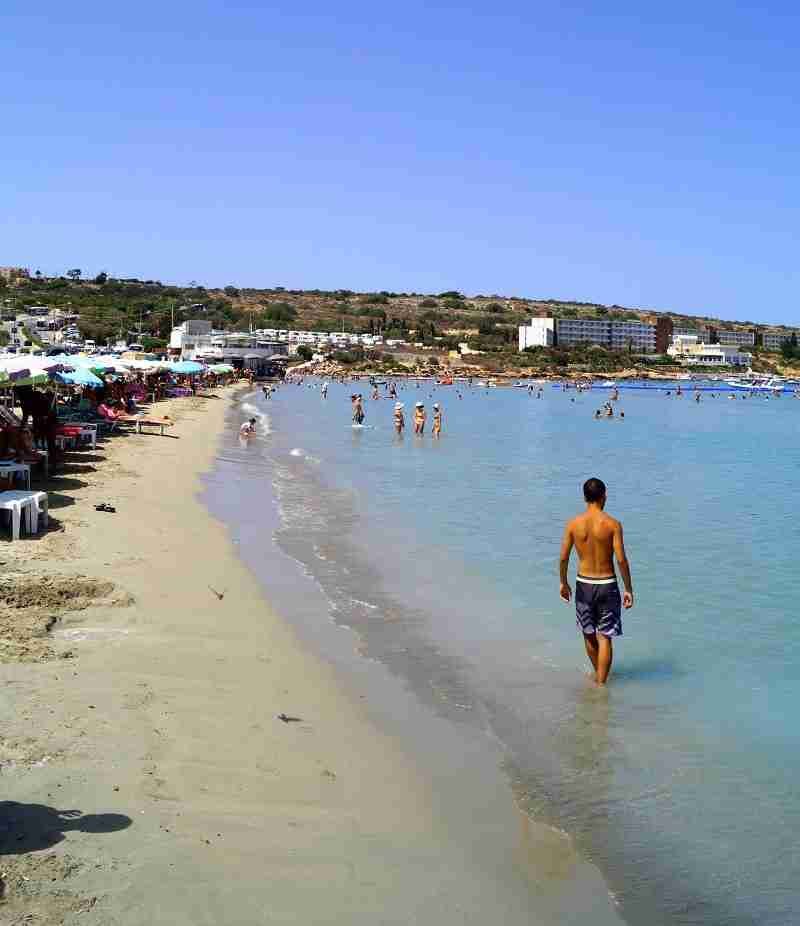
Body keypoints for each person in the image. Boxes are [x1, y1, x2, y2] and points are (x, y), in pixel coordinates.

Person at [558, 478, 634, 685]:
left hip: (584, 584)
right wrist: (628, 588)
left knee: (588, 633)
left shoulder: (573, 524)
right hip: (607, 584)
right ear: (604, 496)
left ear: (584, 497)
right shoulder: (612, 524)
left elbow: (564, 557)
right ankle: (601, 684)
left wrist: (563, 583)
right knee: (605, 637)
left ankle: (599, 679)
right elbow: (621, 559)